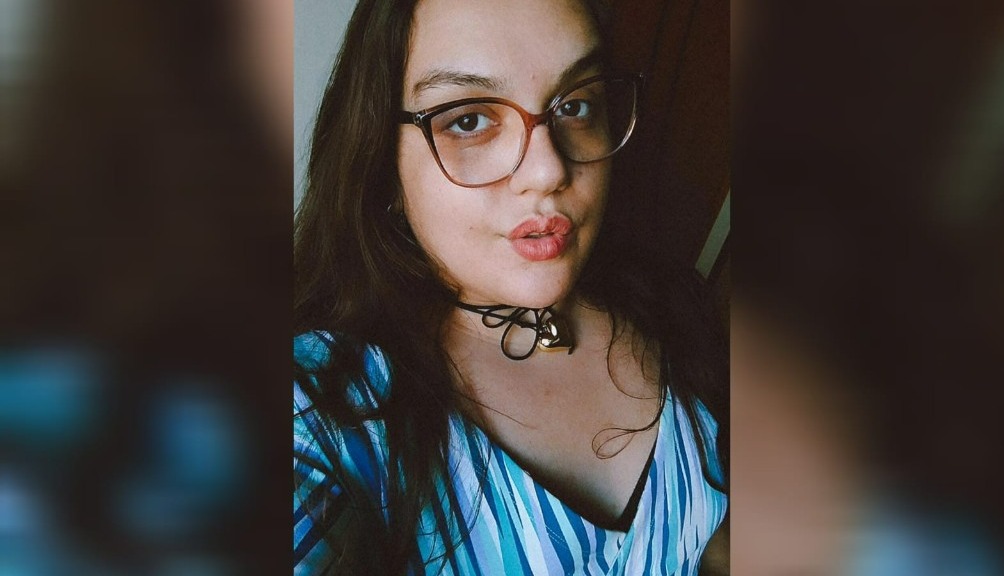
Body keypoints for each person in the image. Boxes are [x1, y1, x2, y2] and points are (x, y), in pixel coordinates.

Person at [293, 0, 729, 573]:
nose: (549, 171)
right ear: (382, 162)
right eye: (468, 120)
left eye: (575, 105)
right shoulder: (325, 406)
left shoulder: (671, 305)